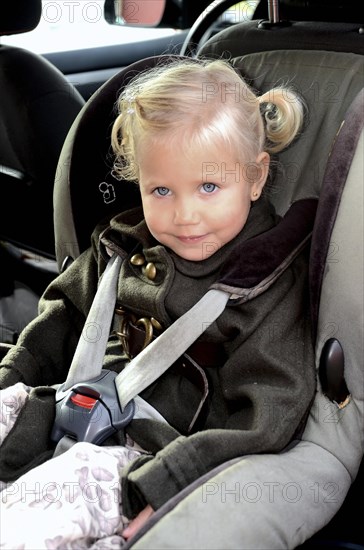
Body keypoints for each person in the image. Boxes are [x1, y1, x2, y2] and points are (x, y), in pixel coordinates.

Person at [0, 58, 316, 548]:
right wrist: (14, 379)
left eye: (209, 187)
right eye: (161, 190)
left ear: (255, 178)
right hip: (67, 409)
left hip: (145, 456)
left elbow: (268, 416)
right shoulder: (122, 246)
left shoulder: (262, 285)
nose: (184, 215)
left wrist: (165, 483)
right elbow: (58, 319)